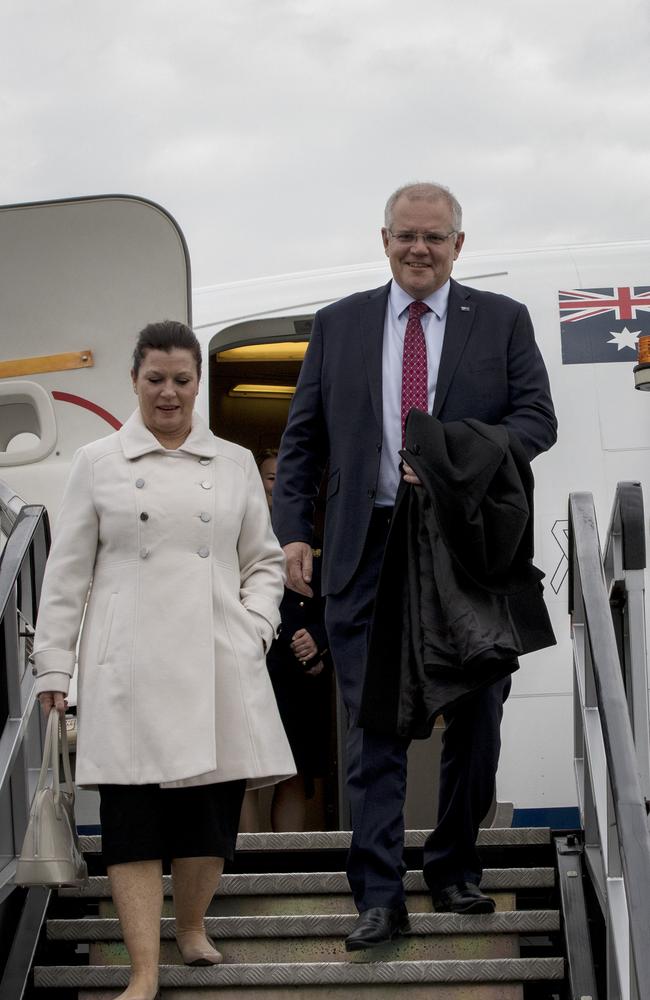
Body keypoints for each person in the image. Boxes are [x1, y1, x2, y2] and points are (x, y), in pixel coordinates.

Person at [272, 182, 557, 949]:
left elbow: (536, 421)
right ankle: (377, 893)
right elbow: (301, 442)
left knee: (479, 716)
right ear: (385, 239)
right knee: (373, 729)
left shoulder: (501, 321)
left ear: (459, 245)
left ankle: (456, 868)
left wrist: (450, 454)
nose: (419, 249)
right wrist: (294, 532)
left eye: (434, 237)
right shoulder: (339, 326)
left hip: (466, 551)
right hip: (365, 551)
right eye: (406, 236)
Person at [31, 320, 295, 1000]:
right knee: (133, 824)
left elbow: (263, 562)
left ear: (197, 383)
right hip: (128, 668)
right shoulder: (98, 462)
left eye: (182, 380)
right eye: (156, 380)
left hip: (216, 662)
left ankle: (193, 925)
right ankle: (143, 972)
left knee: (208, 819)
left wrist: (255, 628)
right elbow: (65, 577)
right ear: (134, 381)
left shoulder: (233, 462)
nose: (169, 394)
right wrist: (54, 669)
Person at [240, 449, 331, 832]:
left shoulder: (320, 536)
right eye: (270, 477)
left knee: (295, 770)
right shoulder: (236, 533)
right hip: (248, 665)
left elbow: (339, 602)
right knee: (244, 770)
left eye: (284, 476)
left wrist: (319, 640)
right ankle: (245, 866)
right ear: (257, 483)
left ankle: (284, 865)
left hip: (299, 675)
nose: (277, 484)